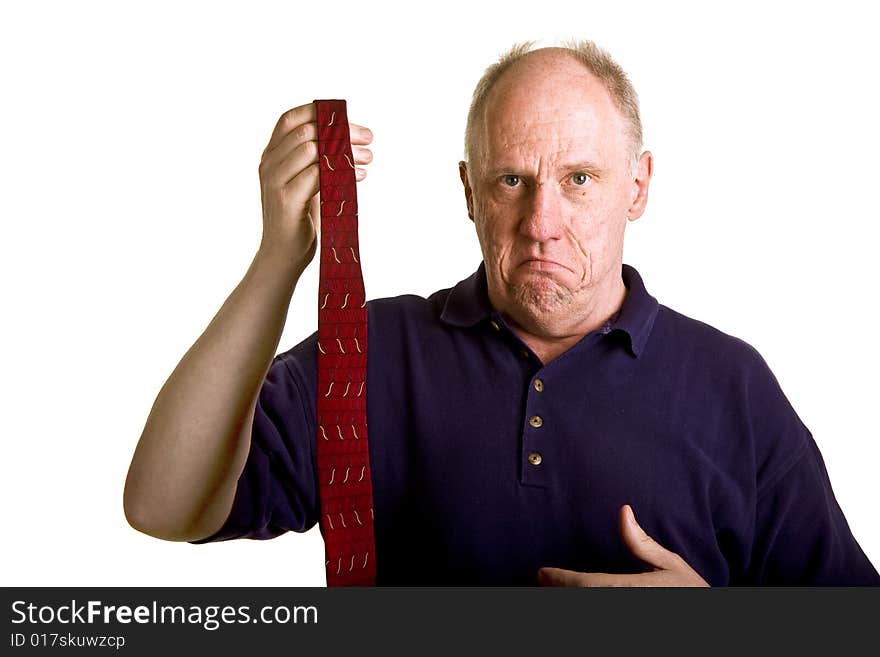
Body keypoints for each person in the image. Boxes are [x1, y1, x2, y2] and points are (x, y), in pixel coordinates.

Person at [123, 40, 880, 586]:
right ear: (468, 191)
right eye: (512, 179)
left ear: (638, 187)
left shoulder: (733, 386)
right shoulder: (371, 354)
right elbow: (164, 505)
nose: (541, 220)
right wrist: (277, 260)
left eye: (580, 178)